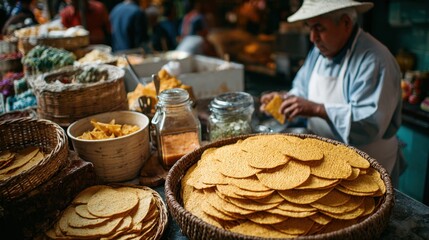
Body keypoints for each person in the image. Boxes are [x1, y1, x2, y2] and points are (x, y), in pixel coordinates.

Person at [259, 0, 405, 186]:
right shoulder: (318, 53)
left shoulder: (375, 60)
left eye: (319, 28)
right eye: (310, 28)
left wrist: (318, 109)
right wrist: (283, 101)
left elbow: (369, 124)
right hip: (327, 160)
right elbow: (302, 91)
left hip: (369, 168)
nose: (313, 38)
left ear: (345, 23)